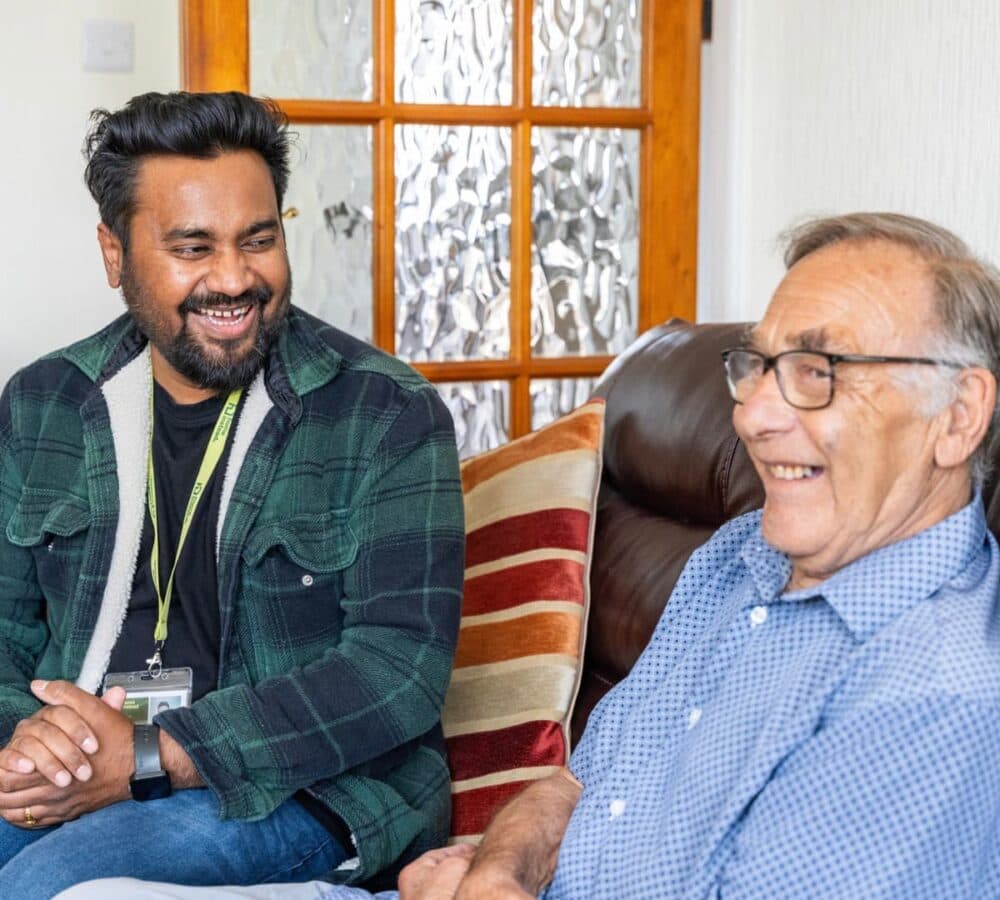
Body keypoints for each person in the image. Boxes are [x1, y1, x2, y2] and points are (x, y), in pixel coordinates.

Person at [65, 211, 1000, 899]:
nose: (753, 414)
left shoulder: (937, 700)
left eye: (819, 372)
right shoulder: (739, 561)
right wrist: (500, 872)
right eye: (756, 368)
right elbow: (580, 782)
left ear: (957, 417)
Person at [0, 91, 464, 898]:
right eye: (192, 247)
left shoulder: (387, 412)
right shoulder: (43, 403)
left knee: (45, 885)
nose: (234, 279)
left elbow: (398, 670)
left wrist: (150, 756)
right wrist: (35, 752)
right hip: (77, 765)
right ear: (115, 256)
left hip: (298, 789)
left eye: (259, 240)